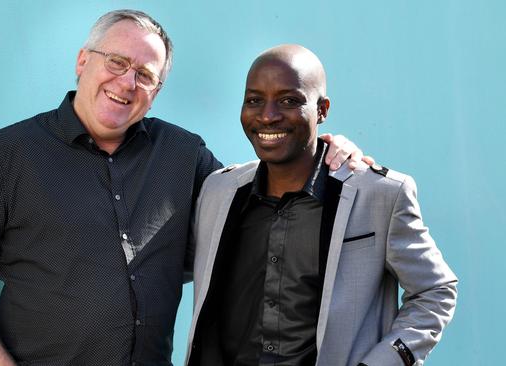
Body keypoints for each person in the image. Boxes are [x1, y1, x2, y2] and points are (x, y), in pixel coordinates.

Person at [0, 10, 364, 366]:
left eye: (146, 75)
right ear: (83, 61)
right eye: (117, 62)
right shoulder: (11, 152)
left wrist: (321, 147)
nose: (127, 82)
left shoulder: (182, 152)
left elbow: (260, 200)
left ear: (155, 91)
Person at [186, 44, 457, 366]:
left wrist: (385, 361)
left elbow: (435, 291)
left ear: (322, 110)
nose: (268, 115)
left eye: (289, 100)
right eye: (254, 100)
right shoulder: (218, 190)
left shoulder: (381, 194)